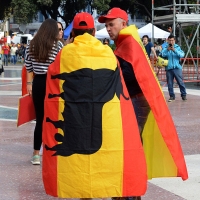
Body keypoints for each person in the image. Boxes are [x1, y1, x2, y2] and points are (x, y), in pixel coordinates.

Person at [42, 12, 147, 199]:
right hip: (104, 120)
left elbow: (53, 80)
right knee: (106, 157)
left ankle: (85, 193)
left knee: (81, 160)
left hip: (76, 119)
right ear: (93, 31)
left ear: (73, 32)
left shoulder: (64, 54)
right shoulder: (107, 52)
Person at [98, 7, 188, 200]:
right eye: (106, 26)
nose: (108, 29)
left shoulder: (128, 44)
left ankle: (129, 192)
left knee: (129, 147)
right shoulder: (127, 43)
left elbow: (130, 76)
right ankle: (130, 191)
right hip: (137, 101)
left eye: (111, 24)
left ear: (124, 23)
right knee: (131, 146)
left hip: (136, 102)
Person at [25, 18, 63, 165]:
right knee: (54, 116)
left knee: (40, 119)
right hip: (53, 83)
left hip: (38, 83)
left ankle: (36, 154)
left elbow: (28, 66)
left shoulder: (31, 45)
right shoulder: (57, 45)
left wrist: (29, 83)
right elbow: (61, 64)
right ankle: (52, 149)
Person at [161, 35, 187, 102]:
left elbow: (182, 55)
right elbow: (162, 54)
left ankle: (183, 95)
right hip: (169, 68)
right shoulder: (165, 47)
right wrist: (167, 50)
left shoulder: (177, 47)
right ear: (168, 40)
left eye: (172, 40)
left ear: (174, 40)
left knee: (180, 82)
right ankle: (172, 96)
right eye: (170, 40)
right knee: (170, 83)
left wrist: (174, 50)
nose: (171, 42)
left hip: (177, 68)